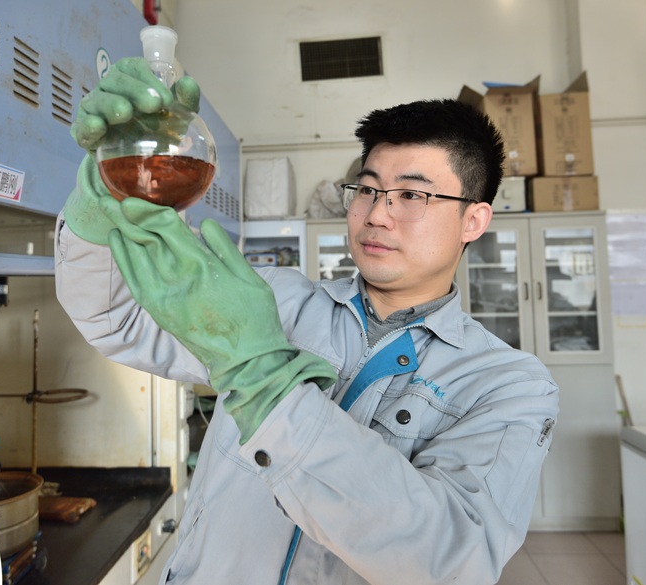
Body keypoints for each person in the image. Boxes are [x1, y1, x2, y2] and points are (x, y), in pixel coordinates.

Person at [55, 57, 559, 585]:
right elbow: (117, 318)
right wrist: (103, 202)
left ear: (473, 220)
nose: (376, 214)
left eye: (411, 195)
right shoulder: (272, 300)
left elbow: (451, 560)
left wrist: (267, 381)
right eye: (367, 189)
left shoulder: (509, 385)